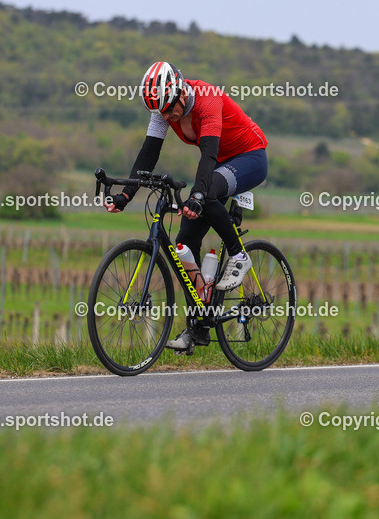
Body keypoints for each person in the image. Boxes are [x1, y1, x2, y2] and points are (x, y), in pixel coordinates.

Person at [105, 61, 268, 354]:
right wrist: (125, 195)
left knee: (207, 192)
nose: (167, 116)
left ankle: (239, 256)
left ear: (180, 91)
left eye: (170, 109)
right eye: (161, 113)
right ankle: (199, 325)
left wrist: (198, 196)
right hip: (218, 163)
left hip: (249, 157)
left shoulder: (207, 100)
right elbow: (147, 156)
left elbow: (207, 157)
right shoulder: (161, 111)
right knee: (184, 244)